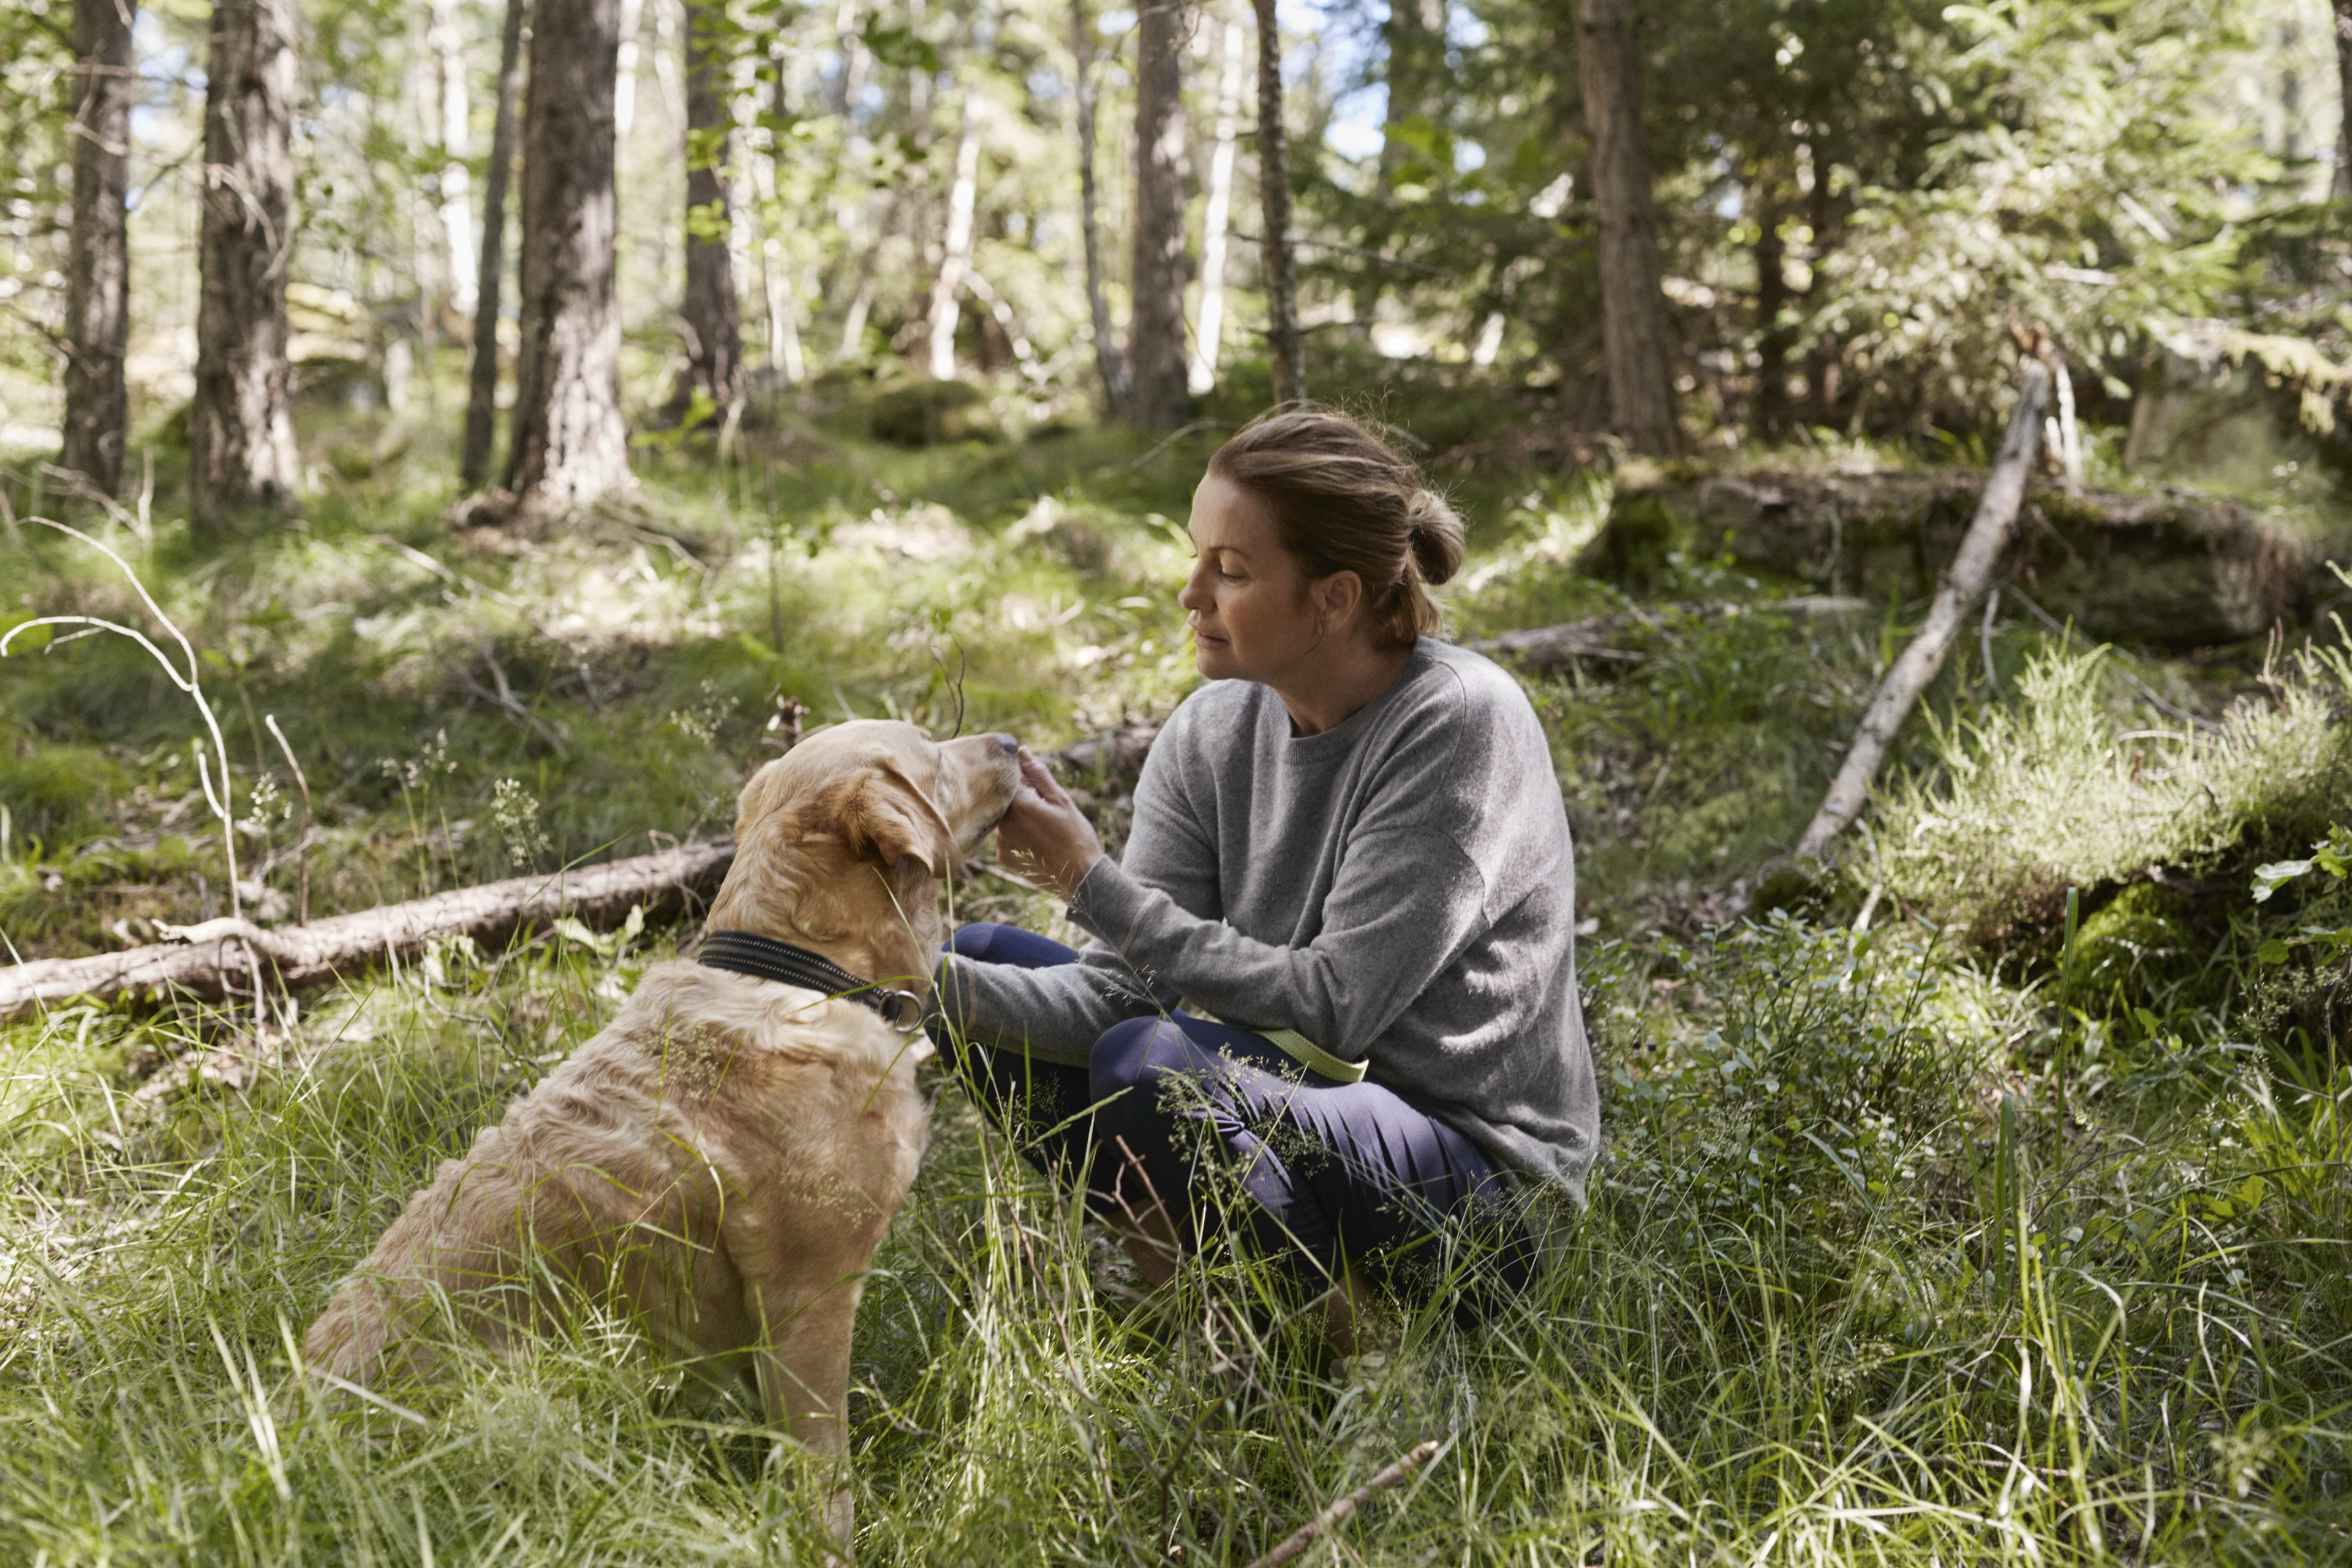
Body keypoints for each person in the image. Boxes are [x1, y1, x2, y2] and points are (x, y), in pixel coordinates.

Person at [931, 409, 1599, 1345]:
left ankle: (1366, 1359)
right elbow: (1116, 993)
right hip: (1303, 1117)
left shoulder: (1458, 725)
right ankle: (1202, 1305)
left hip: (1480, 1186)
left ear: (1334, 600)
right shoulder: (1209, 733)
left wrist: (1090, 881)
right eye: (1196, 555)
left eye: (1231, 571)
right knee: (979, 960)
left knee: (1152, 1067)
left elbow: (1337, 1007)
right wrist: (897, 978)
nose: (1190, 593)